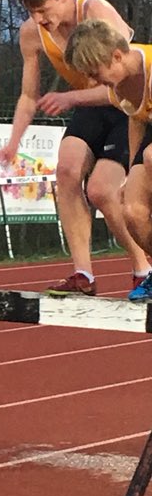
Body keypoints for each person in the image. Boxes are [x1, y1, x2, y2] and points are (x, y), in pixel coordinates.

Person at [0, 0, 151, 296]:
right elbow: (29, 95)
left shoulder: (95, 10)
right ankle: (83, 274)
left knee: (103, 190)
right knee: (66, 169)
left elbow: (120, 70)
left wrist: (71, 97)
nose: (39, 20)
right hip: (86, 103)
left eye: (44, 10)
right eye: (31, 12)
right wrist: (13, 143)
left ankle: (142, 268)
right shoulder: (32, 34)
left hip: (122, 101)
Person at [65, 19, 152, 300]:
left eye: (95, 73)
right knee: (133, 213)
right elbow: (136, 119)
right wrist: (131, 170)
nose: (94, 82)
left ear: (116, 56)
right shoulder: (118, 87)